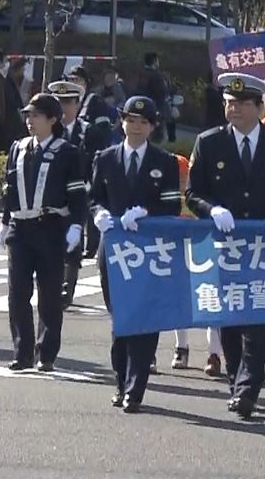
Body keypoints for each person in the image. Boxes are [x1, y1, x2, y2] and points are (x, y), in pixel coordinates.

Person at [185, 72, 265, 420]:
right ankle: (235, 379)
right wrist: (214, 210)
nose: (234, 109)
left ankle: (248, 388)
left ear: (259, 107)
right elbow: (193, 193)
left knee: (257, 317)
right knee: (229, 319)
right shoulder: (209, 143)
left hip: (264, 248)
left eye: (241, 104)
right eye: (228, 103)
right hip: (225, 246)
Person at [90, 95, 183, 413]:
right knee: (120, 318)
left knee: (145, 318)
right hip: (114, 248)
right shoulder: (105, 158)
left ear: (153, 126)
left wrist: (146, 211)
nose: (136, 127)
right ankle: (120, 381)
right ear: (122, 121)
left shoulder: (165, 162)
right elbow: (92, 198)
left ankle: (135, 388)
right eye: (131, 120)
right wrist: (98, 213)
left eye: (144, 122)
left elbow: (172, 204)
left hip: (149, 249)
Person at [0, 93, 87, 371]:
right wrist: (5, 220)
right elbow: (9, 187)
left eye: (36, 115)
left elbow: (77, 195)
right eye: (28, 115)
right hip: (21, 229)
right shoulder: (19, 148)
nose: (30, 121)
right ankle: (22, 352)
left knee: (48, 294)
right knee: (17, 293)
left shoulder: (67, 152)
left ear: (52, 119)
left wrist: (75, 225)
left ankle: (46, 354)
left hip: (50, 228)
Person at [48, 79, 113, 308]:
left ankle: (67, 287)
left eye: (68, 102)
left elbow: (97, 164)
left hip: (79, 193)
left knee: (73, 241)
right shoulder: (47, 133)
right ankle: (52, 283)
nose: (63, 107)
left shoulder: (89, 133)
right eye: (58, 102)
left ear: (77, 105)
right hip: (49, 197)